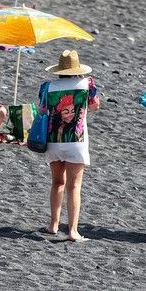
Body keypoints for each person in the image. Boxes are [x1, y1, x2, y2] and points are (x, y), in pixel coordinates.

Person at [39, 50, 99, 242]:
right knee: (74, 186)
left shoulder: (47, 86)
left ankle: (53, 225)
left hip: (53, 142)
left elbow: (41, 109)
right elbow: (95, 105)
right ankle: (73, 231)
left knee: (57, 183)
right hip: (77, 141)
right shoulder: (87, 84)